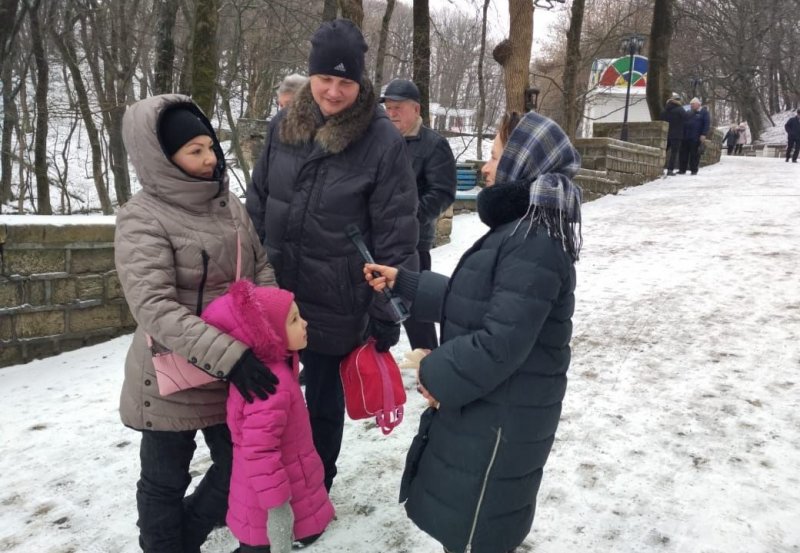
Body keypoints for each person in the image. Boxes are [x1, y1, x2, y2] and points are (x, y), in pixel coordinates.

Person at [364, 111, 581, 553]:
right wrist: (403, 281)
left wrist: (431, 372)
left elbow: (498, 344)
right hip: (488, 412)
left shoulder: (532, 241)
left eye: (496, 157)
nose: (486, 167)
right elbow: (479, 300)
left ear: (521, 164)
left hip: (498, 422)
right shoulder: (520, 231)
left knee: (477, 536)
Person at [246, 19, 419, 492]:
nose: (334, 91)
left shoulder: (381, 142)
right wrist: (247, 280)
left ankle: (313, 493)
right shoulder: (283, 125)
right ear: (311, 74)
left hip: (336, 300)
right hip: (275, 293)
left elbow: (397, 234)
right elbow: (258, 203)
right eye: (325, 78)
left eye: (346, 81)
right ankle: (267, 485)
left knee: (321, 406)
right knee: (268, 401)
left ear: (361, 82)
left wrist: (387, 311)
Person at [115, 94, 279, 553]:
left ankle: (185, 535)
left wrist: (272, 323)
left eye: (210, 145)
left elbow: (260, 266)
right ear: (162, 157)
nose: (210, 158)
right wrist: (233, 356)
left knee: (241, 466)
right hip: (172, 377)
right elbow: (155, 307)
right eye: (194, 151)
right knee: (165, 480)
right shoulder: (142, 218)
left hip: (234, 370)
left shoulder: (228, 203)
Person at [201, 281, 335, 553]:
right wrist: (278, 510)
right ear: (270, 333)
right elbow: (259, 451)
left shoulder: (276, 368)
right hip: (266, 506)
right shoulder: (270, 386)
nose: (305, 323)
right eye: (295, 320)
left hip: (273, 492)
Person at [380, 78, 456, 351]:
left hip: (413, 242)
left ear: (416, 108)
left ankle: (428, 358)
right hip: (377, 236)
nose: (391, 113)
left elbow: (443, 192)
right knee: (368, 301)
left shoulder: (434, 145)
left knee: (416, 305)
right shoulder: (380, 140)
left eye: (398, 107)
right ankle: (360, 362)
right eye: (388, 107)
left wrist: (409, 219)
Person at [678, 97, 710, 175]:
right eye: (691, 104)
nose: (691, 106)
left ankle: (694, 170)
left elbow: (706, 124)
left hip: (696, 136)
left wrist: (703, 134)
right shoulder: (689, 112)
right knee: (683, 153)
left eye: (693, 104)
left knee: (694, 154)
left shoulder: (704, 112)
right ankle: (682, 169)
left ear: (698, 104)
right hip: (686, 136)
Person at [660, 94, 690, 175]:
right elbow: (687, 119)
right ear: (678, 101)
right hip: (677, 135)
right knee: (674, 153)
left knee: (663, 151)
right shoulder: (680, 110)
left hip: (666, 134)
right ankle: (670, 169)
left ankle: (659, 167)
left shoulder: (665, 110)